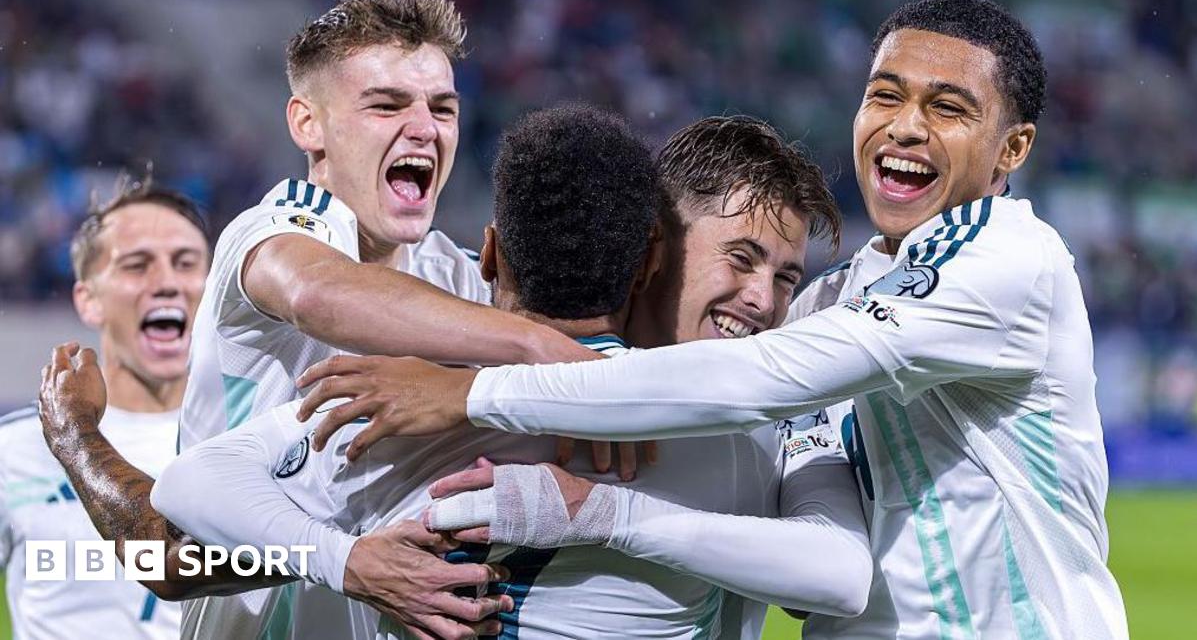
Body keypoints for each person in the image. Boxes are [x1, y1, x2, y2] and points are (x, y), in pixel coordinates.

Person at [304, 0, 1129, 639]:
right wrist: (342, 560)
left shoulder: (1003, 262)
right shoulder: (843, 298)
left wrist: (491, 402)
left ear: (1013, 149)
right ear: (653, 249)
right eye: (886, 94)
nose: (905, 125)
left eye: (949, 107)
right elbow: (201, 522)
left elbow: (827, 546)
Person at [150, 107, 866, 639]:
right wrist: (352, 561)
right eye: (741, 259)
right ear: (656, 252)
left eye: (786, 277)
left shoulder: (427, 389)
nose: (763, 299)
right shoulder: (423, 379)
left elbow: (834, 580)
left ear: (490, 255)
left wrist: (601, 510)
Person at [34, 0, 592, 640]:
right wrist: (541, 349)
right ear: (308, 124)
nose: (424, 128)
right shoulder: (273, 231)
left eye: (443, 107)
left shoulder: (458, 278)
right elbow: (316, 293)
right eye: (386, 105)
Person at [0, 173, 206, 640]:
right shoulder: (14, 450)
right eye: (137, 265)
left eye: (185, 262)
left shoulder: (253, 441)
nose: (168, 282)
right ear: (88, 301)